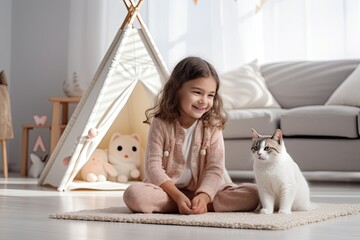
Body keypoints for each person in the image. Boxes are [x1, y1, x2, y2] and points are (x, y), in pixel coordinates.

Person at [123, 56, 259, 214]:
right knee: (134, 195)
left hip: (201, 191)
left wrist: (204, 196)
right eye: (197, 92)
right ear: (177, 89)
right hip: (167, 192)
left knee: (253, 194)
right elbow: (153, 167)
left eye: (210, 95)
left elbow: (215, 169)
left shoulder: (213, 126)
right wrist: (178, 197)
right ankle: (185, 204)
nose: (204, 101)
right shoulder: (161, 123)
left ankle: (196, 204)